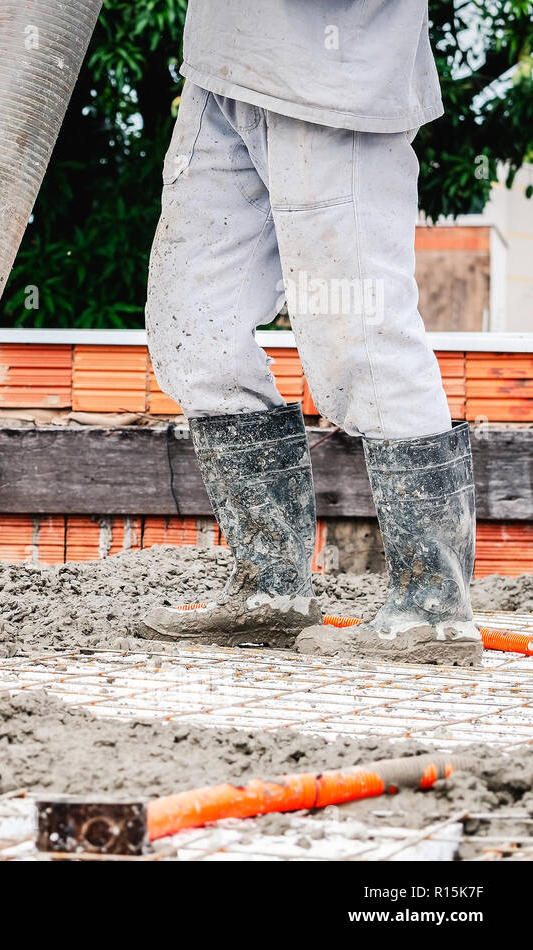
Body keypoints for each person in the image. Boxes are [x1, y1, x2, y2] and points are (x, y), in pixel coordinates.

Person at [139, 1, 480, 665]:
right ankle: (271, 590)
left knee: (360, 332)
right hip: (223, 68)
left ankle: (434, 608)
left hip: (336, 79)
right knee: (194, 328)